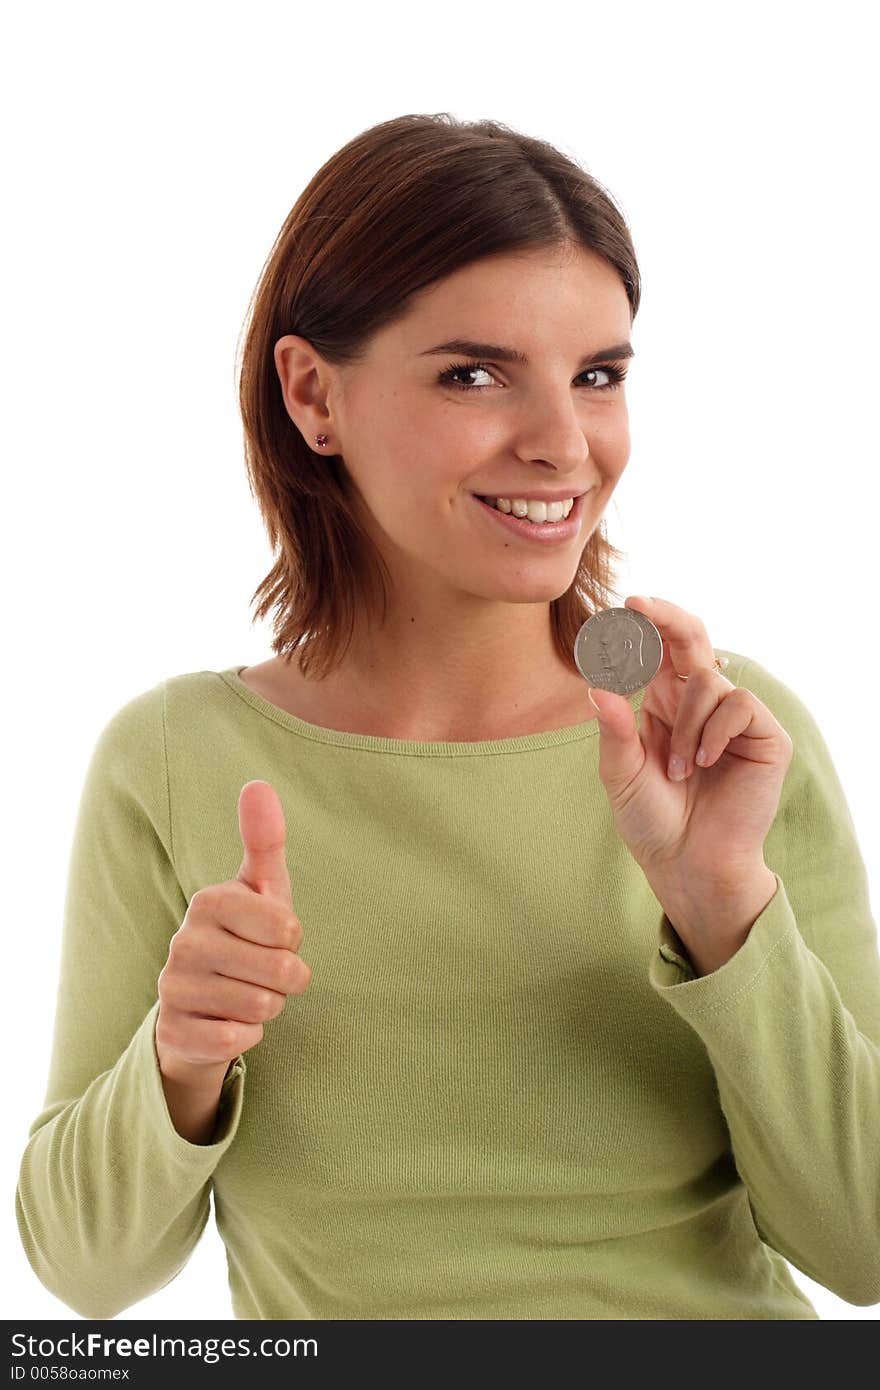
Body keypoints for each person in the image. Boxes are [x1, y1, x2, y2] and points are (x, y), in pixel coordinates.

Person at [15, 112, 880, 1321]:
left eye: (599, 375)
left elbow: (864, 1249)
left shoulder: (718, 737)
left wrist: (724, 910)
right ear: (313, 394)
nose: (562, 444)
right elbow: (83, 1272)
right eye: (473, 374)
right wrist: (180, 1058)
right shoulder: (177, 756)